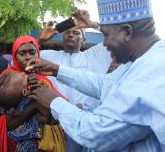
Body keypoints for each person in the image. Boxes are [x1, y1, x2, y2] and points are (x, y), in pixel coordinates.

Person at [26, 0, 165, 151]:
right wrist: (57, 70)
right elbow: (104, 83)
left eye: (105, 35)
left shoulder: (153, 72)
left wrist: (54, 102)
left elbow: (95, 134)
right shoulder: (145, 60)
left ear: (126, 32)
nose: (104, 43)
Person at [38, 17, 112, 151]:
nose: (71, 34)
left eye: (77, 32)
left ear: (84, 39)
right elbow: (19, 60)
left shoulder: (94, 56)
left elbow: (114, 36)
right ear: (62, 37)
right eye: (67, 32)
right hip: (54, 124)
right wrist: (39, 41)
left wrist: (93, 24)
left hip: (86, 124)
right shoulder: (48, 56)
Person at [0, 35, 66, 152]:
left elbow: (59, 104)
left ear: (38, 54)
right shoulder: (8, 76)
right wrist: (34, 106)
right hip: (16, 144)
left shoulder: (44, 78)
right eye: (22, 53)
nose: (28, 57)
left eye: (32, 52)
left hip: (43, 144)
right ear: (15, 57)